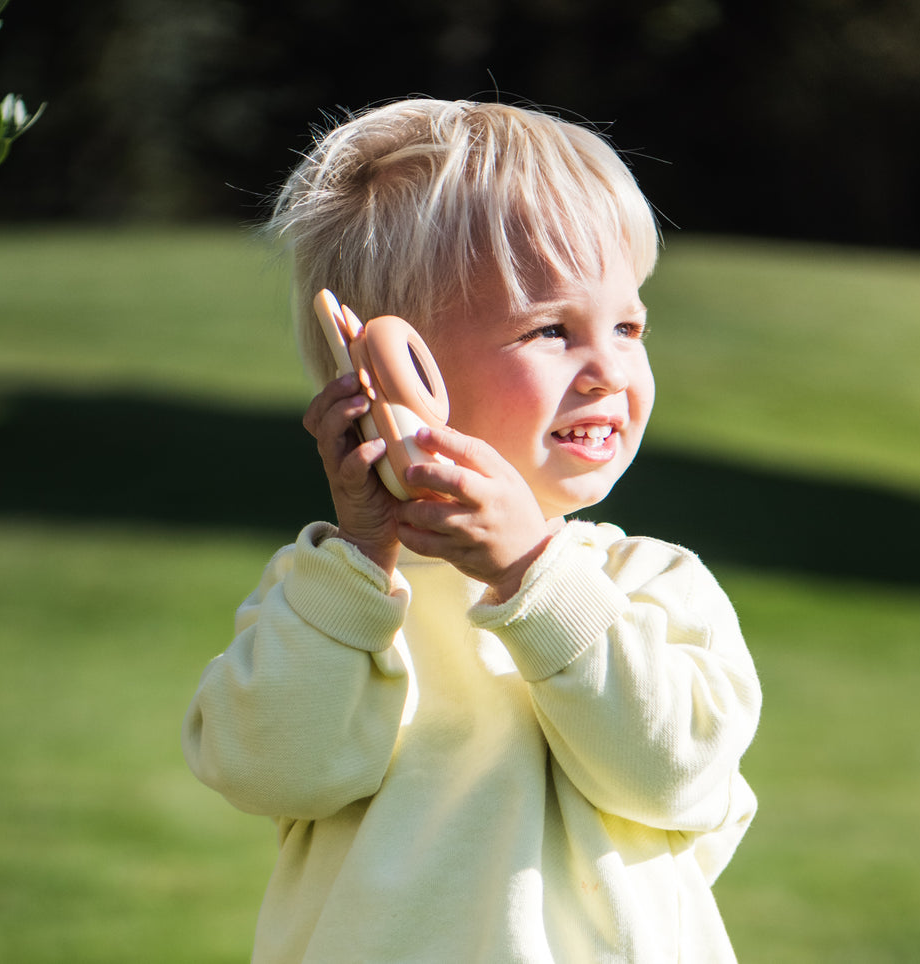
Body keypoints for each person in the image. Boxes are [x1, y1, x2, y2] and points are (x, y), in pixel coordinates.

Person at [183, 98, 762, 963]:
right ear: (392, 376)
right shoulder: (330, 601)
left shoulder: (651, 585)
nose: (608, 369)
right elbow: (270, 770)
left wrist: (534, 572)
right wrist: (357, 562)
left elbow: (670, 772)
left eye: (629, 325)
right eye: (551, 331)